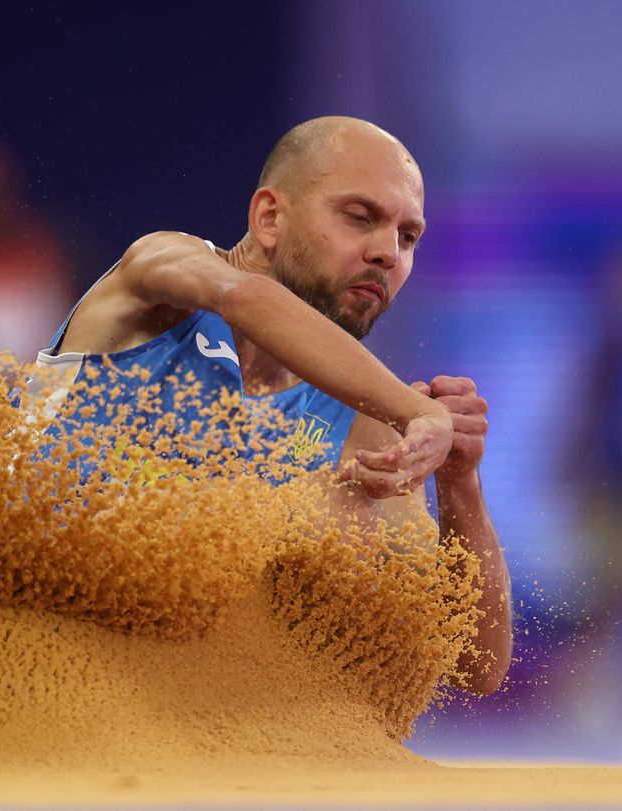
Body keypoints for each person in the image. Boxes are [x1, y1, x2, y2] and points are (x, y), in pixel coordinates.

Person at [33, 116, 511, 695]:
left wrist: (459, 482)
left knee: (340, 519)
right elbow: (244, 297)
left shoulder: (366, 425)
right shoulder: (155, 276)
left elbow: (474, 670)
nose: (388, 252)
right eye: (360, 218)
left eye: (408, 238)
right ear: (269, 218)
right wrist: (422, 414)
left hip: (129, 711)